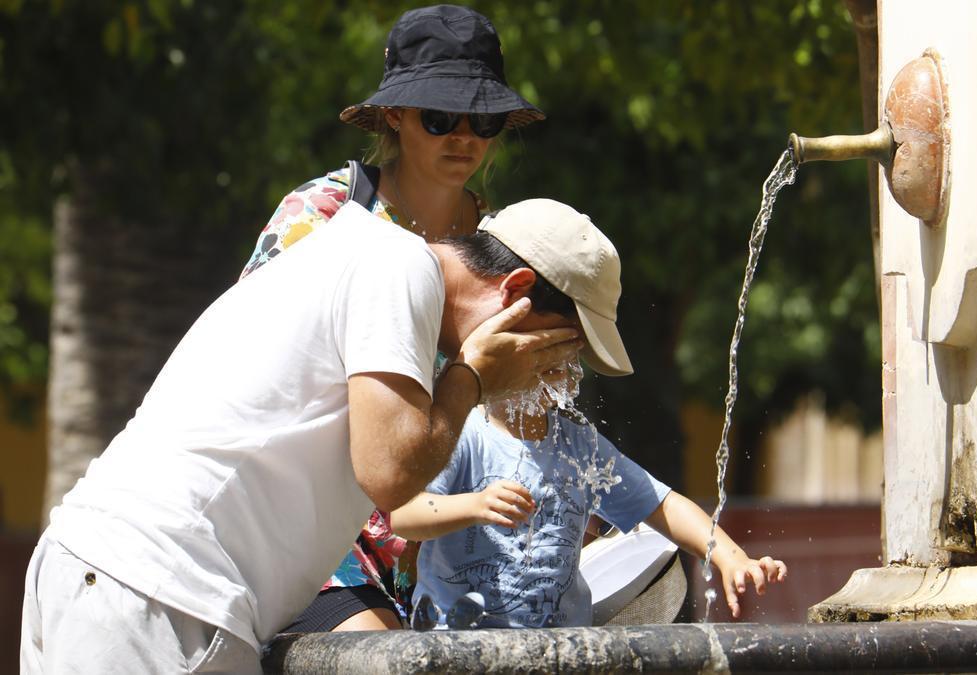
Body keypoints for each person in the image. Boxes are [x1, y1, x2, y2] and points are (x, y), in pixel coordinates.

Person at [20, 198, 609, 673]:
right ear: (515, 292)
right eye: (560, 348)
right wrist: (473, 377)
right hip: (159, 595)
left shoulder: (364, 253)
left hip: (113, 577)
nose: (557, 375)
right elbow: (391, 475)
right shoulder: (399, 268)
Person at [240, 4, 545, 633]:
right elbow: (247, 373)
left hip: (432, 549)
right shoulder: (322, 214)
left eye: (483, 119)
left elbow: (503, 413)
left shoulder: (495, 241)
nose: (464, 137)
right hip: (309, 535)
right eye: (440, 117)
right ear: (396, 116)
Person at [393, 212, 788, 630]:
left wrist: (727, 554)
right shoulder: (465, 432)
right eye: (548, 351)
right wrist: (473, 506)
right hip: (453, 650)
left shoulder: (578, 447)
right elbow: (404, 514)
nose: (560, 367)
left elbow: (663, 504)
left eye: (569, 357)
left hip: (557, 653)